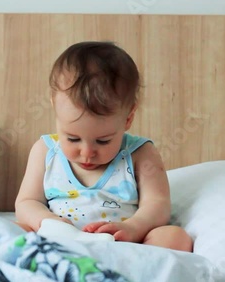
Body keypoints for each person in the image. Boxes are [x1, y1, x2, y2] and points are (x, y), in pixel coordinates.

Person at [15, 41, 193, 252]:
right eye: (72, 138)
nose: (87, 152)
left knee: (174, 237)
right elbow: (26, 202)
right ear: (55, 107)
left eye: (103, 140)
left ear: (128, 118)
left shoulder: (140, 154)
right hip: (59, 243)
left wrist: (133, 227)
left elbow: (158, 204)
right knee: (9, 231)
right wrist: (46, 220)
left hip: (122, 245)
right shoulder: (45, 151)